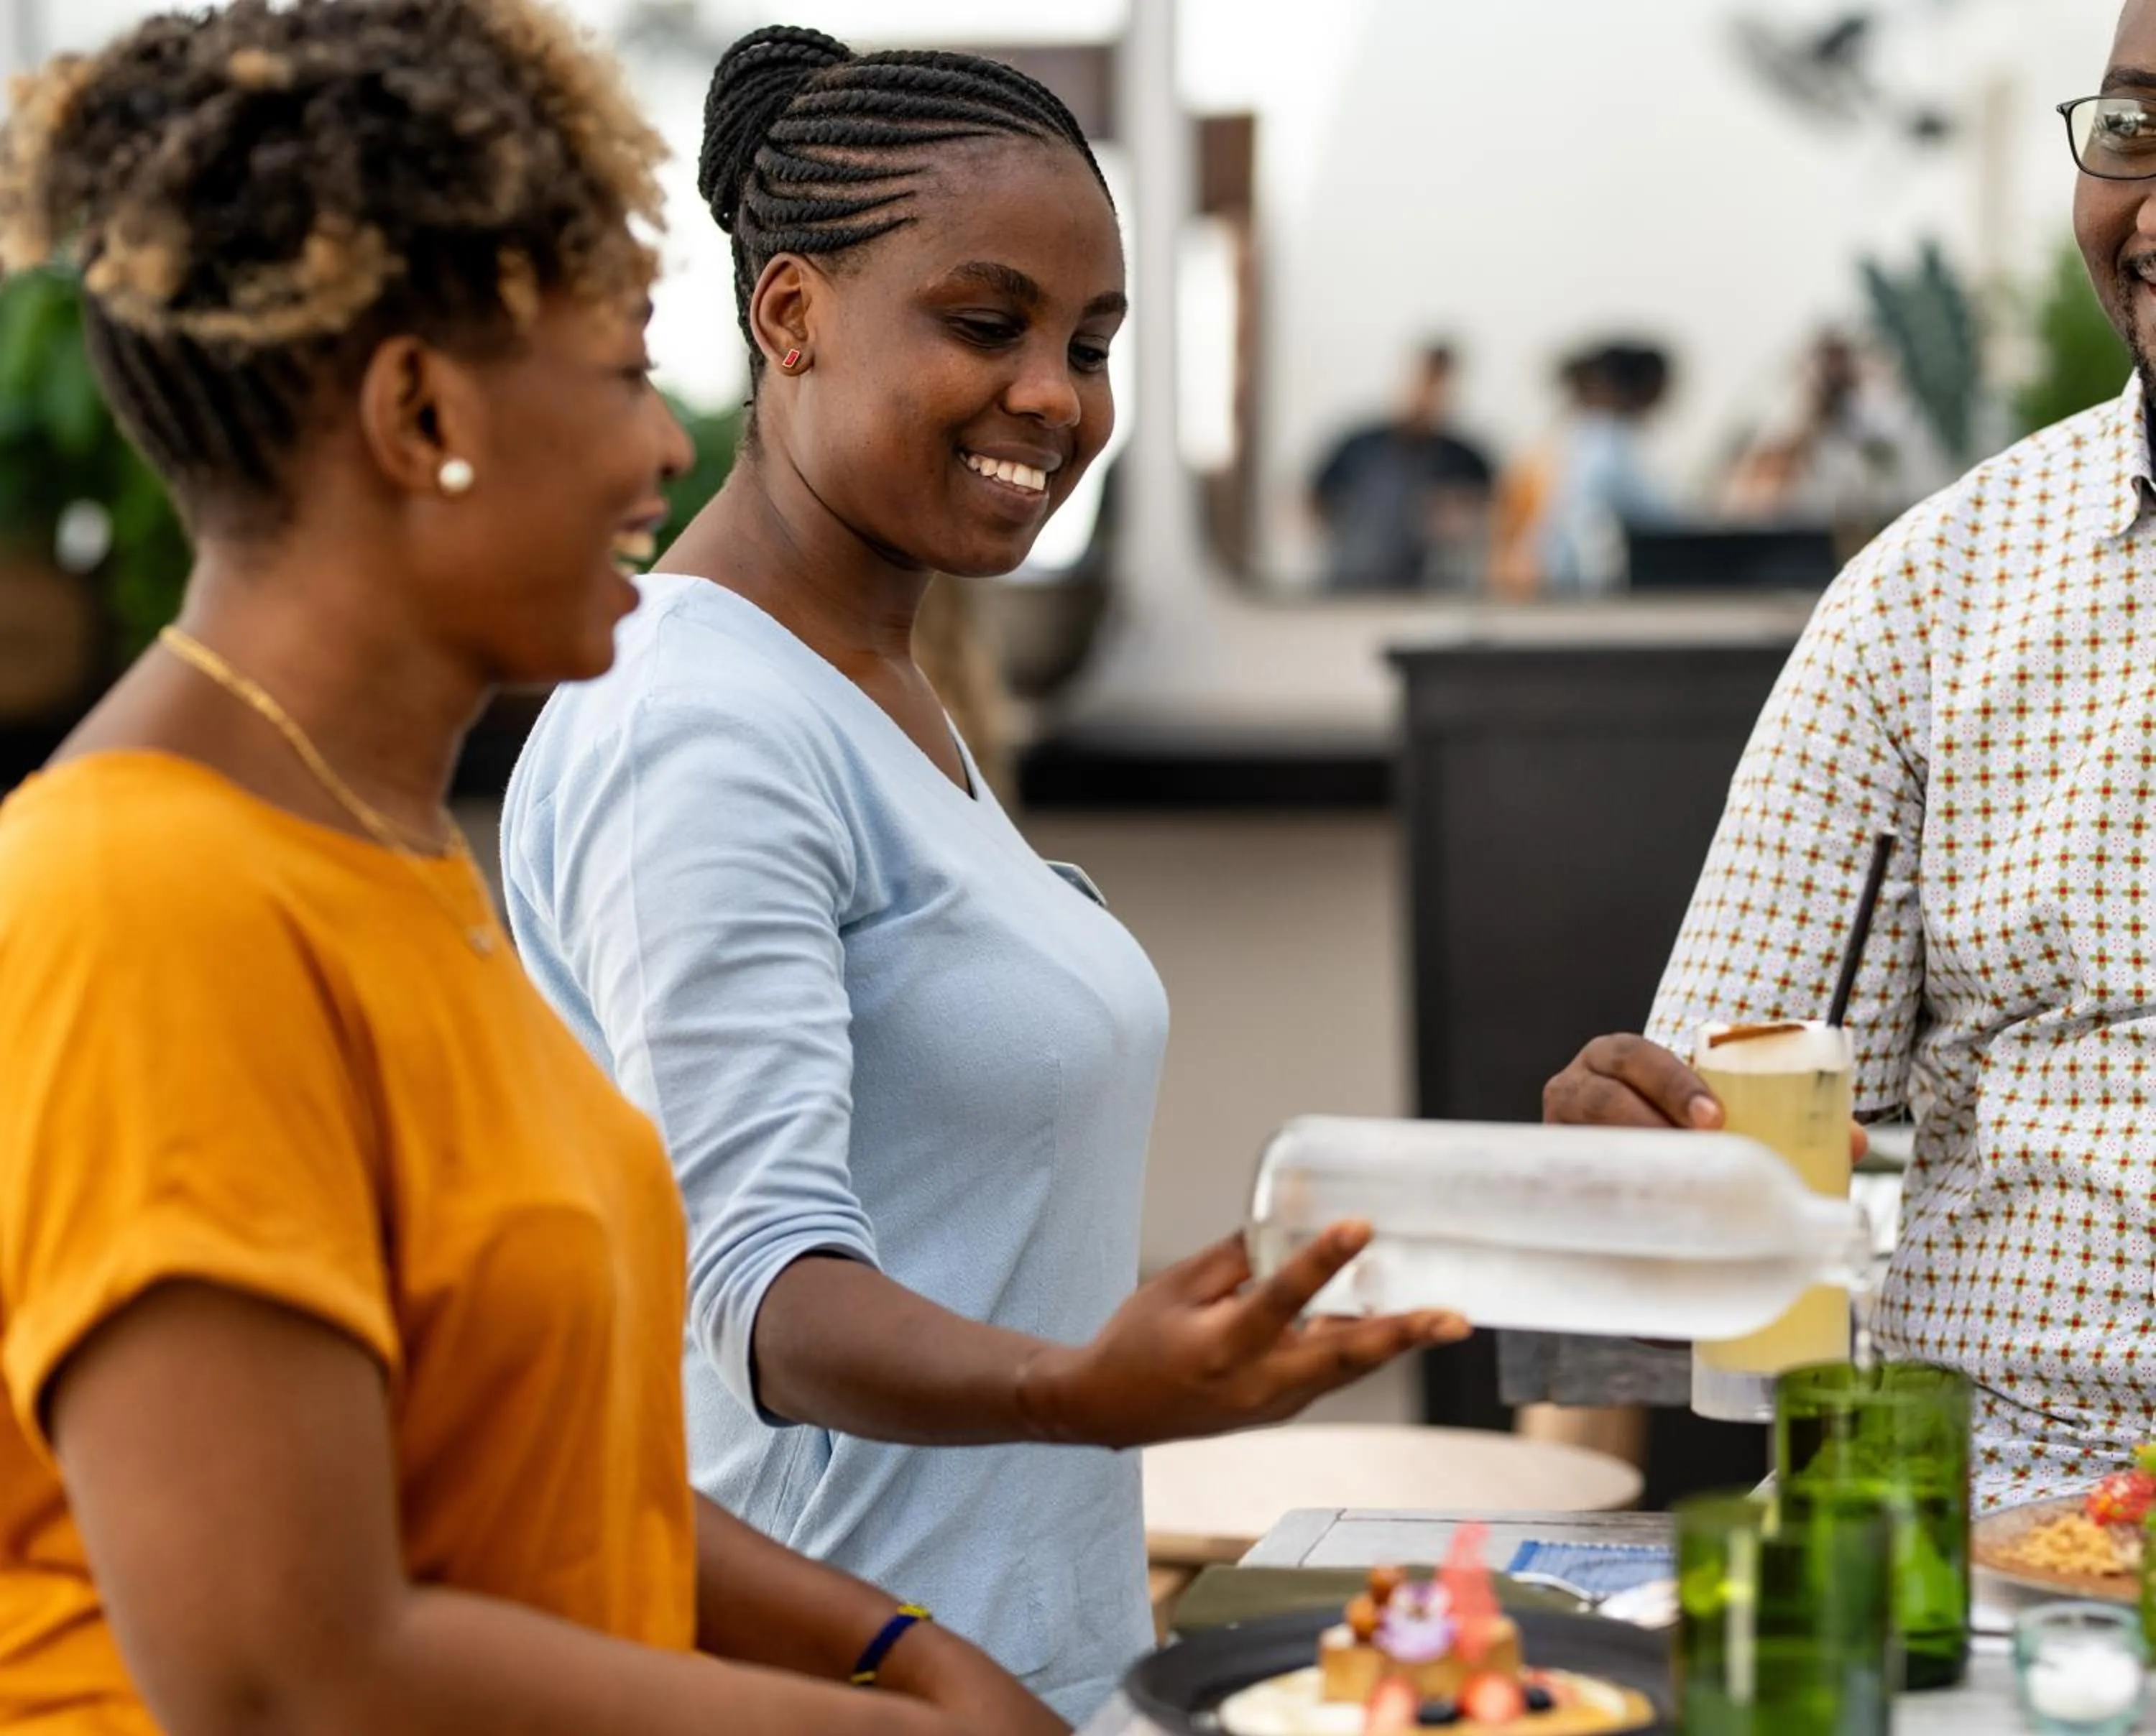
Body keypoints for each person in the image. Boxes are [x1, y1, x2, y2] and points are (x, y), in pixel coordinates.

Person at [0, 4, 1075, 1731]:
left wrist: (894, 1643)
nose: (667, 451)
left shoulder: (384, 860)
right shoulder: (145, 896)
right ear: (420, 409)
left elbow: (538, 1468)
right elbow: (286, 1672)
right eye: (621, 376)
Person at [501, 25, 1469, 1722]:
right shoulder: (696, 725)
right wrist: (1076, 1389)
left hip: (1025, 1676)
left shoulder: (873, 687)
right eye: (985, 323)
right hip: (848, 1690)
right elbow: (760, 1295)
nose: (1056, 396)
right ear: (789, 317)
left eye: (1090, 344)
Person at [1543, 0, 2156, 1508]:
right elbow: (1718, 1158)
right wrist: (1646, 1158)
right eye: (2137, 126)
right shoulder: (1933, 596)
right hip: (1976, 1505)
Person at [1309, 342, 1496, 592]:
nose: (1427, 396)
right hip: (1351, 585)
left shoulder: (1466, 459)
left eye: (1438, 386)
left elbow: (1496, 517)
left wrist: (1462, 518)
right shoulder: (1359, 446)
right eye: (1423, 382)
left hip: (1431, 591)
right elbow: (1313, 500)